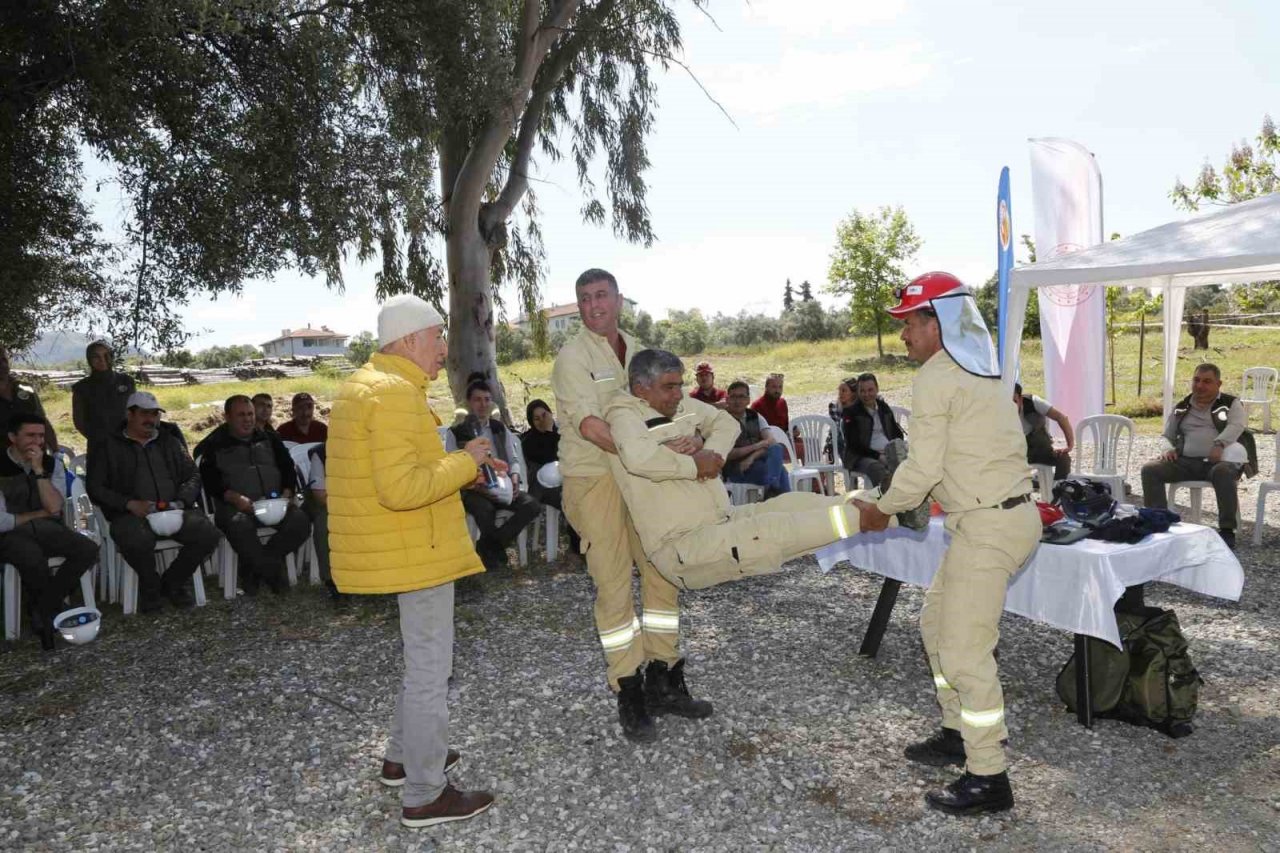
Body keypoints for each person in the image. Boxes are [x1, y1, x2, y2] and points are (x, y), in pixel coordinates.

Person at [854, 272, 1039, 817]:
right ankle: (957, 731)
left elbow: (924, 466)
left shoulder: (938, 374)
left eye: (910, 322)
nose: (904, 335)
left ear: (937, 323)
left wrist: (880, 509)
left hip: (988, 526)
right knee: (934, 628)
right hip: (997, 520)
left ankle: (988, 777)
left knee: (963, 650)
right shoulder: (983, 365)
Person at [327, 294, 497, 828]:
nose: (443, 348)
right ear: (406, 340)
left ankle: (404, 758)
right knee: (430, 670)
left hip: (398, 548)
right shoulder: (396, 394)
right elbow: (402, 488)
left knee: (419, 662)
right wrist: (465, 463)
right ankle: (426, 793)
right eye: (437, 336)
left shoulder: (364, 385)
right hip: (414, 548)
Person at [552, 267, 702, 744]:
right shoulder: (571, 357)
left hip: (641, 478)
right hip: (594, 479)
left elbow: (662, 408)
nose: (594, 304)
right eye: (584, 298)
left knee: (663, 571)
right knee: (614, 585)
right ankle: (629, 689)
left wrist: (687, 435)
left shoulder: (640, 350)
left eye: (601, 295)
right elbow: (591, 427)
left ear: (619, 299)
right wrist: (652, 453)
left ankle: (664, 676)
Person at [607, 349, 886, 595]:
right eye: (669, 387)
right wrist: (694, 465)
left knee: (794, 504)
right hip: (684, 544)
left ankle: (887, 499)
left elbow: (725, 423)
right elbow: (638, 458)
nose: (678, 394)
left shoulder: (678, 405)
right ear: (641, 388)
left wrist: (711, 454)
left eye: (680, 385)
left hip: (721, 517)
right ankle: (873, 516)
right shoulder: (624, 415)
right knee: (775, 530)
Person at [86, 392, 221, 612]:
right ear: (129, 414)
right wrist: (128, 504)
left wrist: (181, 500)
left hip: (173, 509)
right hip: (131, 513)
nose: (151, 420)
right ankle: (150, 586)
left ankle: (173, 582)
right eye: (144, 414)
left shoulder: (169, 441)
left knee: (208, 534)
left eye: (155, 414)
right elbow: (95, 487)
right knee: (135, 539)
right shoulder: (108, 445)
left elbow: (193, 475)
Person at [0, 413, 99, 649]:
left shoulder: (51, 464)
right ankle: (49, 611)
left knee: (87, 549)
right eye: (30, 435)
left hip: (48, 528)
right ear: (13, 437)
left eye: (41, 436)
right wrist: (36, 514)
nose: (37, 441)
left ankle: (43, 608)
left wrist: (38, 471)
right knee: (32, 558)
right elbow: (1, 521)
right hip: (10, 534)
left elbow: (54, 508)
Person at [198, 395, 310, 595]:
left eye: (250, 414)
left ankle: (254, 570)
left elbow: (287, 468)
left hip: (273, 503)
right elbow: (208, 480)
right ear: (227, 417)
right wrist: (233, 497)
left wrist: (287, 491)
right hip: (236, 505)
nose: (248, 419)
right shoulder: (215, 443)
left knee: (300, 522)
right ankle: (274, 574)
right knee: (239, 525)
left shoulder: (268, 437)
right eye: (241, 415)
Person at [1139, 363, 1248, 549]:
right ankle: (1158, 522)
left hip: (1219, 463)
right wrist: (1167, 449)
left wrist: (1220, 443)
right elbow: (1167, 436)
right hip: (1185, 462)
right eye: (1196, 380)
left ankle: (1227, 530)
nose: (1200, 385)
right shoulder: (1182, 406)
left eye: (1207, 381)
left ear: (1218, 384)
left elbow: (1237, 425)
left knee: (1223, 472)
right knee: (1150, 470)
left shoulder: (1231, 403)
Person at [450, 380, 541, 570]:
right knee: (485, 509)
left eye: (487, 400)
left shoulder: (499, 428)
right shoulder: (456, 432)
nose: (483, 405)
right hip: (471, 487)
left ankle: (488, 546)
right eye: (477, 400)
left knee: (531, 505)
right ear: (468, 402)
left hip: (502, 485)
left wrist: (515, 478)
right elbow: (451, 467)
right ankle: (494, 553)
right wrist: (477, 486)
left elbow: (514, 459)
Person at [518, 399, 581, 559]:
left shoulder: (564, 432)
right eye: (536, 418)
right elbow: (550, 455)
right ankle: (578, 543)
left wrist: (552, 431)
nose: (542, 420)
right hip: (542, 487)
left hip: (565, 480)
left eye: (544, 415)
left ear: (550, 413)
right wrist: (548, 431)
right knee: (569, 499)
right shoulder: (529, 441)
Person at [724, 381, 791, 497]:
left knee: (776, 448)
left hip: (754, 462)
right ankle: (780, 500)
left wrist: (751, 457)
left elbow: (771, 442)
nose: (737, 401)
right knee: (780, 471)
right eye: (733, 397)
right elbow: (727, 453)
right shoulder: (722, 420)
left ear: (748, 400)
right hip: (736, 468)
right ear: (727, 399)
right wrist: (757, 446)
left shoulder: (755, 416)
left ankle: (773, 492)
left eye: (742, 397)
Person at [840, 372, 907, 488]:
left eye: (870, 390)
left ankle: (907, 499)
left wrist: (893, 449)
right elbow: (853, 445)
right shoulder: (851, 413)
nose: (866, 394)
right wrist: (877, 455)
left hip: (887, 451)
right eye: (862, 391)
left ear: (877, 389)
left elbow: (897, 434)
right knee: (878, 469)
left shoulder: (883, 408)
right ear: (858, 392)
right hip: (861, 457)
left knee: (909, 464)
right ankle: (886, 500)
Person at [71, 340, 137, 447]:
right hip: (98, 446)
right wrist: (97, 438)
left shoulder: (126, 381)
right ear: (89, 360)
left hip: (127, 442)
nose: (102, 360)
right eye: (96, 356)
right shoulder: (81, 388)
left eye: (106, 355)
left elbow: (135, 410)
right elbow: (79, 421)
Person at [302, 443, 343, 602]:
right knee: (324, 523)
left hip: (352, 501)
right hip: (324, 502)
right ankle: (330, 579)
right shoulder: (320, 453)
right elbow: (320, 495)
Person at [1012, 383, 1073, 481]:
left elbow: (1061, 418)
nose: (1011, 406)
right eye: (1008, 402)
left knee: (1064, 459)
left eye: (1014, 401)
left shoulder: (1033, 401)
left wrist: (1070, 445)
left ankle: (1058, 489)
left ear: (1020, 398)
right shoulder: (998, 411)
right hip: (1015, 454)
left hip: (1040, 450)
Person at [0, 345, 54, 451]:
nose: (2, 365)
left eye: (4, 360)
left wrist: (56, 452)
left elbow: (43, 421)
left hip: (34, 459)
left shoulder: (25, 388)